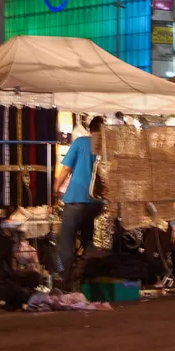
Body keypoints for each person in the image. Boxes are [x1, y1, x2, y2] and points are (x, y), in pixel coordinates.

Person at [53, 116, 106, 288]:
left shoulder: (80, 142)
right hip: (98, 202)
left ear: (90, 130)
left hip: (76, 199)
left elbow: (66, 168)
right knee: (89, 241)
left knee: (66, 242)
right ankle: (87, 279)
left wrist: (55, 189)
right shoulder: (107, 147)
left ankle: (63, 279)